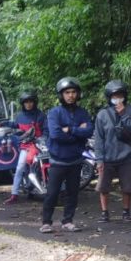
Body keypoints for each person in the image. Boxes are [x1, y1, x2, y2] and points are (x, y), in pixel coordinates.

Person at [41, 77, 93, 233]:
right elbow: (56, 134)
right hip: (58, 160)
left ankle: (68, 220)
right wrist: (78, 131)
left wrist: (69, 129)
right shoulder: (54, 113)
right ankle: (46, 222)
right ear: (61, 95)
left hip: (76, 160)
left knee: (72, 193)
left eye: (73, 92)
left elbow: (89, 131)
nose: (70, 95)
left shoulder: (82, 113)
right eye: (67, 92)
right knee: (52, 193)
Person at [92, 80, 131, 222]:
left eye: (120, 95)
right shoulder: (102, 114)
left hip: (125, 156)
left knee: (127, 187)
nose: (117, 98)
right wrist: (99, 159)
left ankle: (126, 212)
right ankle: (104, 213)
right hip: (108, 157)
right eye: (114, 96)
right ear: (109, 97)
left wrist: (124, 114)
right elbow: (99, 138)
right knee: (103, 187)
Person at [4, 91, 45, 205]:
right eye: (26, 102)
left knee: (39, 167)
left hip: (39, 145)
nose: (28, 104)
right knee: (20, 168)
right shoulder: (20, 116)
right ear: (23, 103)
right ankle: (14, 194)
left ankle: (42, 190)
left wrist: (42, 139)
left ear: (34, 102)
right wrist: (3, 124)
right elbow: (15, 125)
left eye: (30, 101)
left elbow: (46, 131)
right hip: (25, 145)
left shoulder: (40, 115)